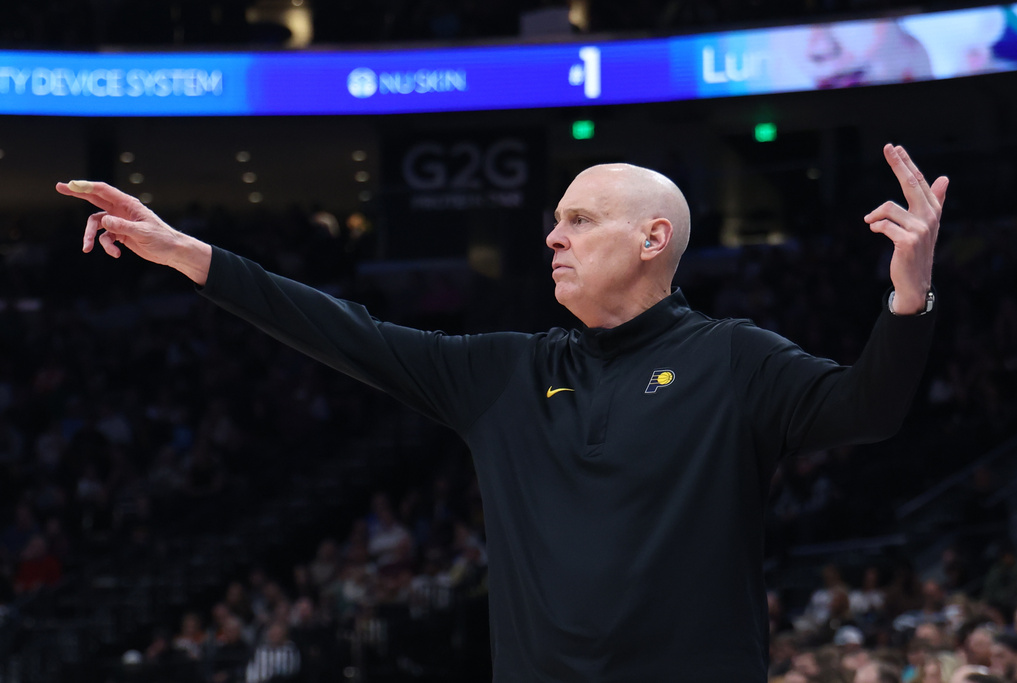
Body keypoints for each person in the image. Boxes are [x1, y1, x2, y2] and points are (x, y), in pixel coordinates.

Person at [56, 143, 947, 681]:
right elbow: (346, 333)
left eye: (579, 219)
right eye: (555, 220)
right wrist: (189, 255)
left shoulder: (735, 357)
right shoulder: (505, 372)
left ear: (652, 238)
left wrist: (907, 302)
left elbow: (867, 410)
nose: (552, 236)